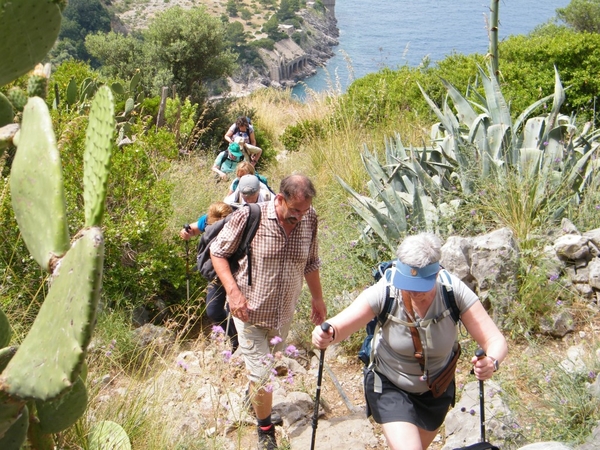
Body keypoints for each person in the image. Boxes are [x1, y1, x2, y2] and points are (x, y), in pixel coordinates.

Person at [312, 232, 507, 450]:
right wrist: (325, 333)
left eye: (420, 285)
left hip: (436, 391)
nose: (413, 291)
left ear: (436, 274)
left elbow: (494, 340)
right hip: (390, 385)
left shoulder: (453, 291)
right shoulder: (386, 290)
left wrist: (492, 362)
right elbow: (339, 326)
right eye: (407, 283)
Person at [210, 174, 327, 450]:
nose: (299, 216)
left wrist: (318, 299)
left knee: (267, 369)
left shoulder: (309, 219)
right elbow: (218, 252)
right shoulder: (251, 217)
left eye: (304, 210)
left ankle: (253, 397)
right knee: (262, 376)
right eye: (294, 210)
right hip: (248, 312)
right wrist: (233, 291)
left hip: (282, 314)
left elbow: (311, 262)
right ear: (279, 199)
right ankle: (265, 430)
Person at [179, 202, 239, 351]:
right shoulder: (208, 219)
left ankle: (244, 342)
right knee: (213, 310)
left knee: (238, 309)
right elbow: (193, 229)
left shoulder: (239, 220)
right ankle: (234, 338)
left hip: (239, 272)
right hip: (216, 273)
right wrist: (186, 233)